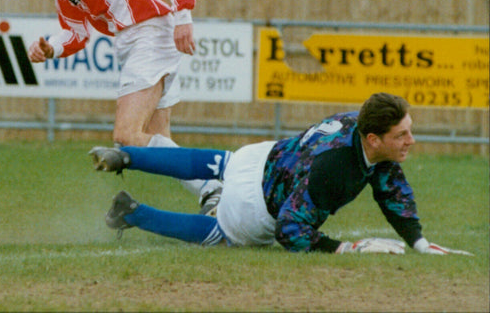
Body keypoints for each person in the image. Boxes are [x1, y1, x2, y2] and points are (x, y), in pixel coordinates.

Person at [27, 0, 222, 215]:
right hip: (127, 45)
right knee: (157, 138)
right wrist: (49, 47)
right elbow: (75, 32)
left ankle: (217, 182)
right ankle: (221, 192)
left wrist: (183, 15)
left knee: (127, 135)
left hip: (152, 32)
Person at [89, 92, 472, 255]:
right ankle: (133, 213)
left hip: (260, 157)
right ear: (373, 139)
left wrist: (418, 242)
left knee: (217, 162)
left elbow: (391, 191)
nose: (412, 140)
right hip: (257, 204)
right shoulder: (336, 172)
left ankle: (129, 158)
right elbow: (290, 230)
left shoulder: (358, 124)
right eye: (402, 134)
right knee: (219, 233)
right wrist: (342, 249)